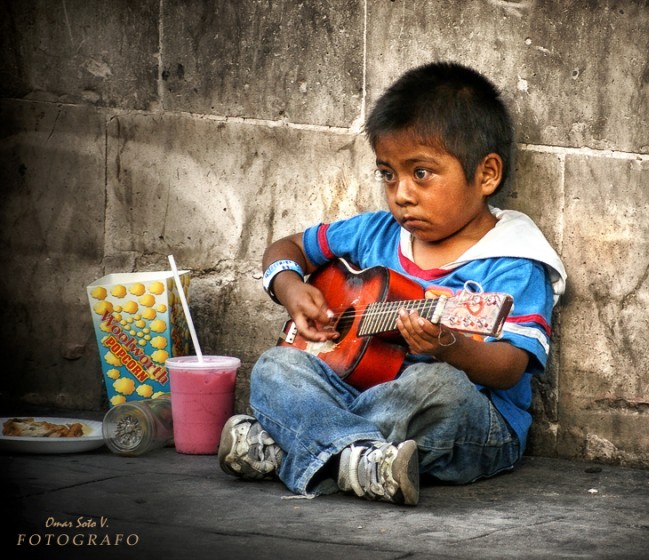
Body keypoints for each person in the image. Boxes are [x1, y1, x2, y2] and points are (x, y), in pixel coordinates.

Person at [217, 61, 566, 506]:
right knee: (275, 365)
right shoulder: (375, 232)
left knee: (439, 386)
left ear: (486, 175)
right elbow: (288, 248)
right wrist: (288, 286)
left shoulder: (514, 260)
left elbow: (510, 367)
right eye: (388, 174)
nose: (400, 193)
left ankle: (295, 445)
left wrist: (449, 346)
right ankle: (360, 460)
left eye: (421, 173)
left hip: (474, 423)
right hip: (362, 394)